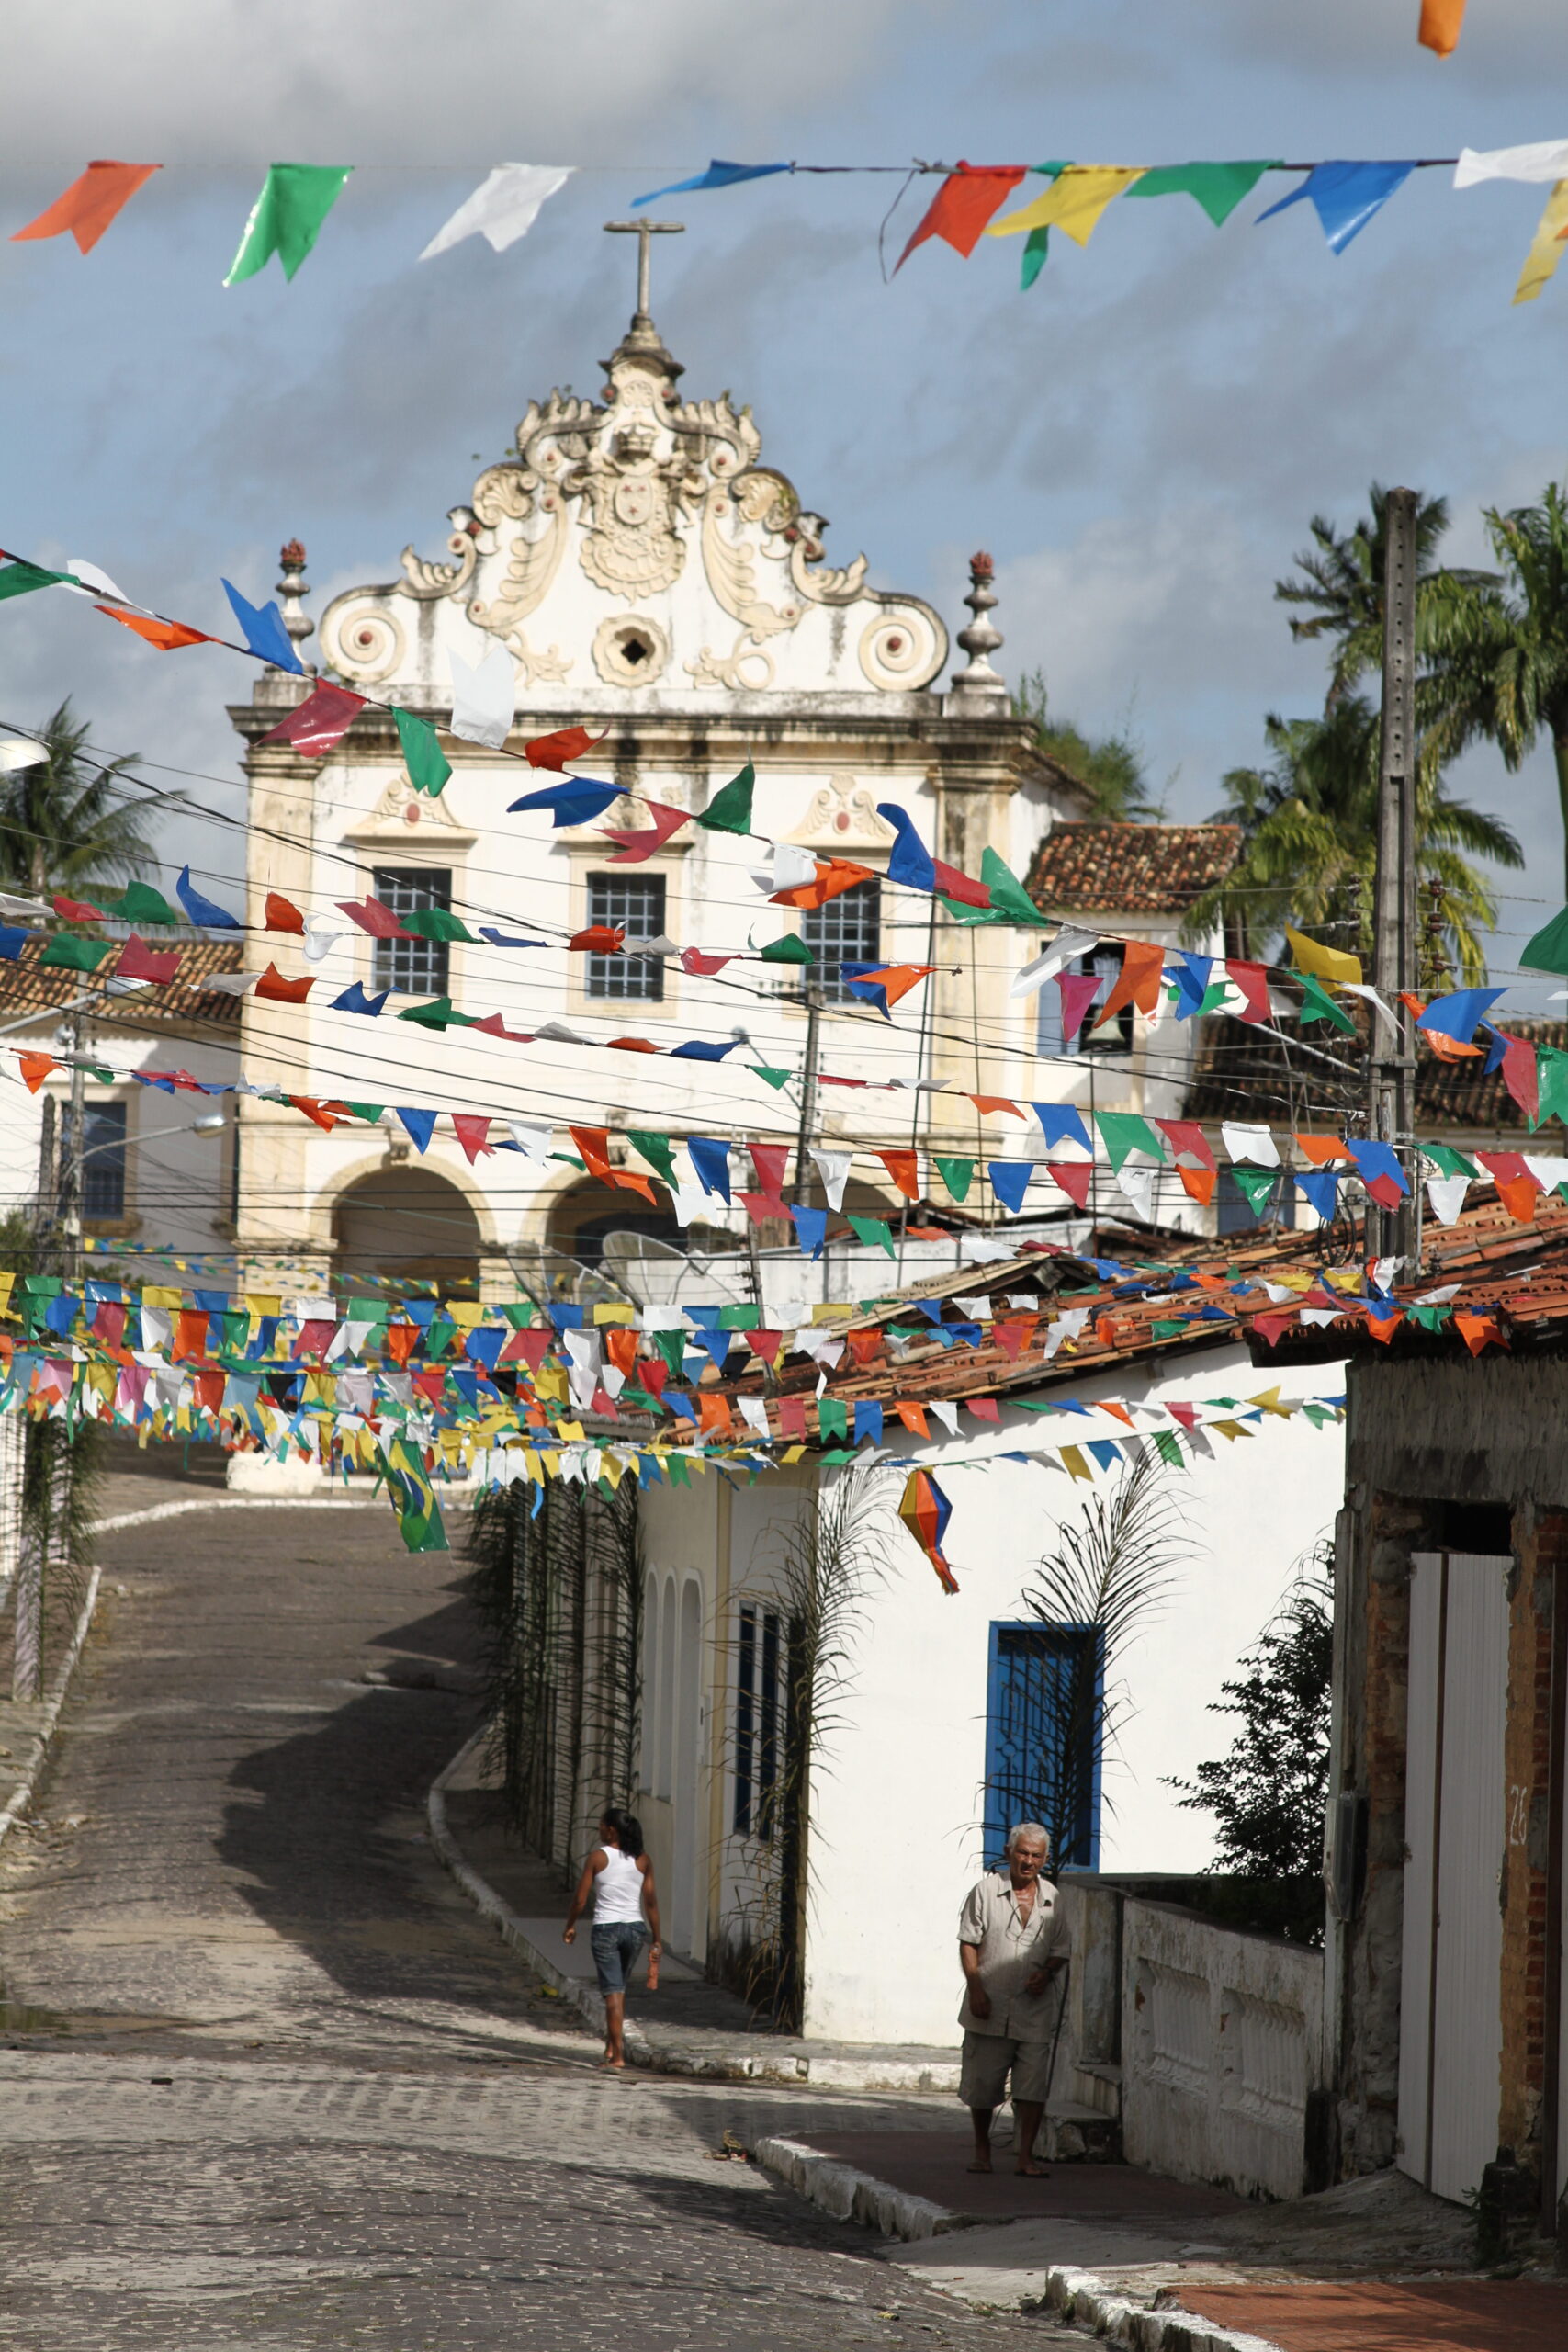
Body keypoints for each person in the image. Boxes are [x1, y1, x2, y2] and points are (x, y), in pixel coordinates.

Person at [956, 1821, 1069, 2177]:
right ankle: (982, 2150)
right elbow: (968, 1942)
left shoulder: (1053, 1898)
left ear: (1045, 1859)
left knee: (1032, 2088)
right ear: (1009, 1853)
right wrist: (976, 1988)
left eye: (1036, 1855)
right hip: (988, 2006)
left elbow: (1062, 1949)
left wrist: (1047, 1972)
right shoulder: (986, 1891)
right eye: (1022, 1853)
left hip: (1034, 2010)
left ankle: (1026, 2157)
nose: (1028, 1861)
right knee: (982, 2085)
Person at [563, 1806, 662, 2070]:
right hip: (635, 1930)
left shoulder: (598, 1857)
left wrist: (570, 1925)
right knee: (619, 1988)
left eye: (601, 1826)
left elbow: (580, 1899)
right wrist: (657, 1939)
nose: (598, 1829)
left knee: (613, 1994)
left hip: (606, 1929)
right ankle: (611, 2044)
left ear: (611, 1830)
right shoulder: (643, 1860)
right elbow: (651, 1903)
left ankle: (618, 2056)